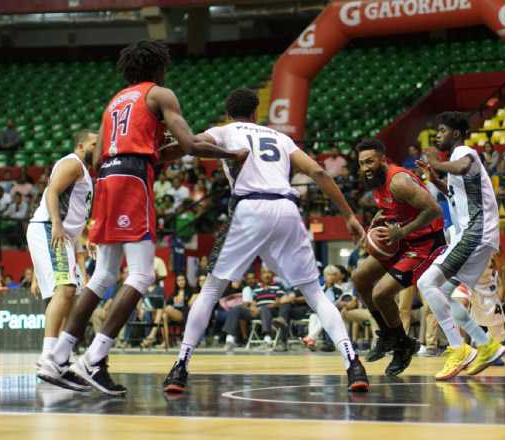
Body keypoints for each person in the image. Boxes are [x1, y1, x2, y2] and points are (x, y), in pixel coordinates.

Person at [38, 40, 240, 396]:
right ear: (158, 67)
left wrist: (149, 150)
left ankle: (57, 356)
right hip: (132, 180)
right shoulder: (160, 94)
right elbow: (191, 144)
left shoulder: (115, 100)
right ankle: (95, 358)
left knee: (102, 275)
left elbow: (99, 156)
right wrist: (230, 152)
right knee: (143, 274)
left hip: (106, 180)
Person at [162, 87, 369, 393]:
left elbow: (189, 145)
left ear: (228, 112)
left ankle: (180, 367)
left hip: (249, 207)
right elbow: (319, 173)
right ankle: (353, 365)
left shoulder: (224, 130)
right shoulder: (281, 139)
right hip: (286, 208)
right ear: (257, 112)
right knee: (314, 292)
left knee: (210, 290)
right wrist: (350, 216)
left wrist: (160, 149)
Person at [417, 111, 505, 380]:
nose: (437, 135)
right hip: (474, 234)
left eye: (442, 131)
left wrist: (437, 161)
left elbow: (463, 166)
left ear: (456, 133)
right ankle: (485, 344)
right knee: (442, 293)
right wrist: (435, 180)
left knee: (425, 283)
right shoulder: (455, 163)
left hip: (475, 233)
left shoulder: (464, 152)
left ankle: (459, 349)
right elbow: (456, 193)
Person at [351, 138, 443, 376]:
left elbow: (433, 210)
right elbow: (396, 207)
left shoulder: (398, 180)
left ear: (383, 158)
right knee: (359, 277)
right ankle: (387, 335)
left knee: (381, 293)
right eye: (362, 163)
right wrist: (380, 217)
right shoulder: (375, 181)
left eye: (370, 161)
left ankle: (403, 345)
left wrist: (401, 231)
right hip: (403, 240)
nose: (365, 167)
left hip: (426, 244)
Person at [28, 129, 96, 391]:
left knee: (75, 297)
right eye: (94, 143)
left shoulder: (86, 173)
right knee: (66, 289)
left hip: (66, 235)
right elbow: (51, 192)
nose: (98, 146)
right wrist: (56, 223)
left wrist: (86, 236)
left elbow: (77, 212)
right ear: (81, 145)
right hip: (50, 227)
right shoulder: (72, 162)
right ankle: (49, 358)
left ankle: (62, 358)